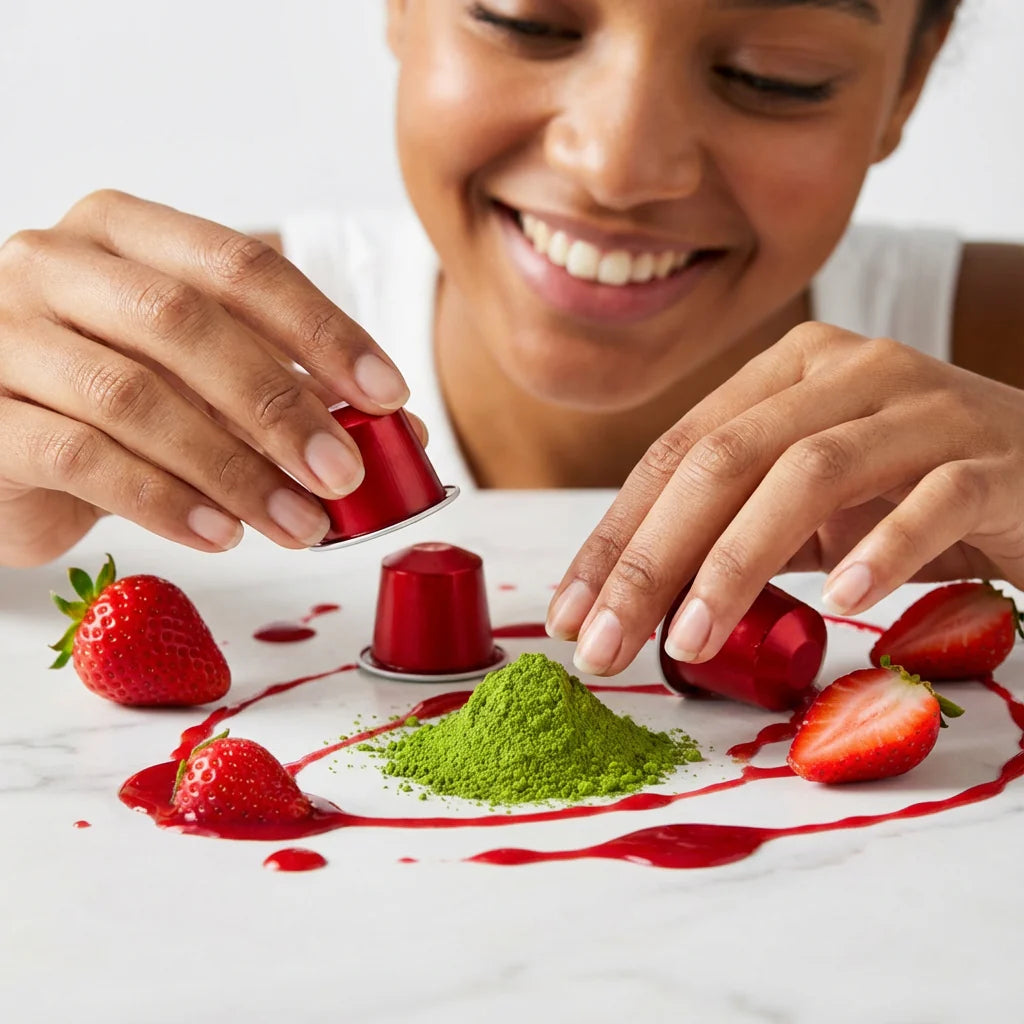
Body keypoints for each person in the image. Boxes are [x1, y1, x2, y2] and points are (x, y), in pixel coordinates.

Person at [0, 0, 1021, 681]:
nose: (618, 164)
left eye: (773, 75)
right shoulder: (146, 370)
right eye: (526, 18)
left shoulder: (996, 357)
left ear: (907, 84)